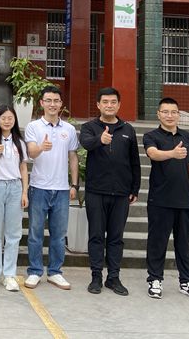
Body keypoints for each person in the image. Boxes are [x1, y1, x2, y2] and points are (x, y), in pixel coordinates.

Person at [79, 87, 140, 296]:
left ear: (119, 105)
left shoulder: (128, 129)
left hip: (121, 193)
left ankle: (113, 277)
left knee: (116, 237)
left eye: (113, 102)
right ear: (98, 105)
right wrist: (100, 140)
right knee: (96, 235)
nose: (109, 105)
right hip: (96, 191)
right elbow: (86, 144)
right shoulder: (89, 127)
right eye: (105, 102)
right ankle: (96, 276)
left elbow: (134, 161)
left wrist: (135, 188)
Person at [143, 97, 189, 301]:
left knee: (184, 243)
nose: (169, 116)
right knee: (157, 242)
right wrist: (172, 153)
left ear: (178, 114)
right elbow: (153, 154)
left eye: (173, 112)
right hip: (160, 199)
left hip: (185, 199)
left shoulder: (188, 137)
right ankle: (154, 279)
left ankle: (187, 281)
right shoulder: (151, 136)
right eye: (165, 112)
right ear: (158, 114)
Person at [24, 85, 79, 290]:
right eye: (48, 100)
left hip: (62, 189)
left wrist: (74, 184)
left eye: (56, 101)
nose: (52, 104)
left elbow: (73, 157)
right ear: (42, 103)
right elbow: (31, 153)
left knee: (59, 234)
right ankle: (35, 271)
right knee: (35, 232)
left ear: (61, 104)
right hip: (38, 187)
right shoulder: (33, 127)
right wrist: (41, 147)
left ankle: (55, 272)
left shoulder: (69, 129)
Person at [0, 105, 29, 292]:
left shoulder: (20, 142)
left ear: (15, 120)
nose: (7, 121)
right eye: (3, 118)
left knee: (13, 234)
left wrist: (24, 192)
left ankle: (9, 274)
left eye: (10, 118)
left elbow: (23, 168)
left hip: (15, 187)